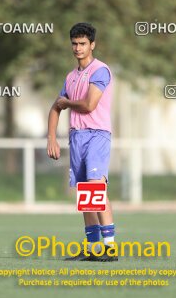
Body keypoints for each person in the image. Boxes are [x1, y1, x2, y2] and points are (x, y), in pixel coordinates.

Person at [46, 22, 117, 262]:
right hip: (76, 137)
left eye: (83, 43)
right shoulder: (70, 76)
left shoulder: (100, 70)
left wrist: (66, 103)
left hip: (97, 134)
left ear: (92, 45)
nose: (78, 48)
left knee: (96, 188)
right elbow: (55, 107)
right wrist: (51, 137)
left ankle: (110, 248)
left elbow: (89, 105)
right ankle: (92, 248)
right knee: (85, 193)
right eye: (74, 43)